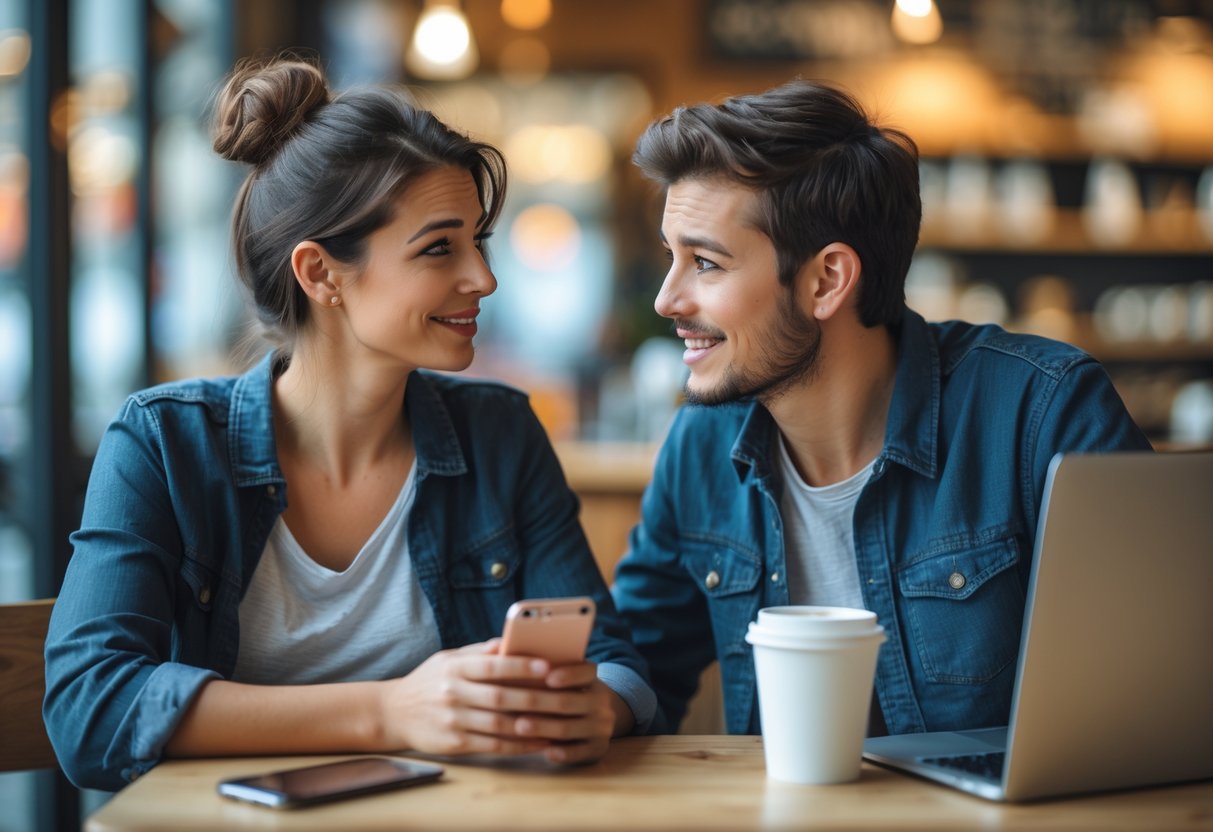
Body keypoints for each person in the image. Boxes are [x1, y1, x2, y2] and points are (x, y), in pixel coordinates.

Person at [44, 56, 654, 792]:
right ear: (320, 273)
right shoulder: (163, 444)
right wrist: (390, 713)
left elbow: (616, 661)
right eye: (439, 248)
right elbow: (90, 711)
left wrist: (601, 708)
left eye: (477, 242)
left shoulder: (500, 433)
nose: (483, 279)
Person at [610, 80, 1151, 737]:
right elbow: (636, 661)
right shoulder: (700, 443)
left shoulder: (1043, 412)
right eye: (671, 257)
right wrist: (581, 701)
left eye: (704, 263)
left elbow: (1144, 693)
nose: (667, 299)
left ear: (826, 280)